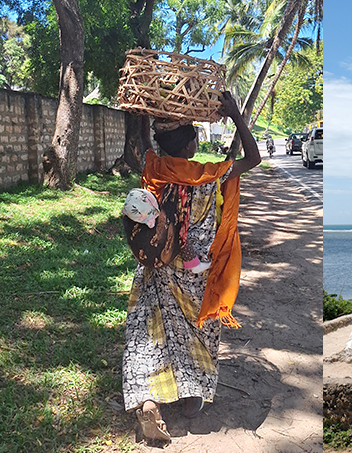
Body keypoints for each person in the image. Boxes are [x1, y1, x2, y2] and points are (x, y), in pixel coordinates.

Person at [122, 90, 261, 443]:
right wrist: (235, 114)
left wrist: (144, 112)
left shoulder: (153, 167)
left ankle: (149, 399)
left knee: (149, 335)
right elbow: (253, 157)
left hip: (156, 265)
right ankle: (190, 399)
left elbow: (142, 140)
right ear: (189, 145)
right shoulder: (209, 174)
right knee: (197, 335)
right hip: (196, 273)